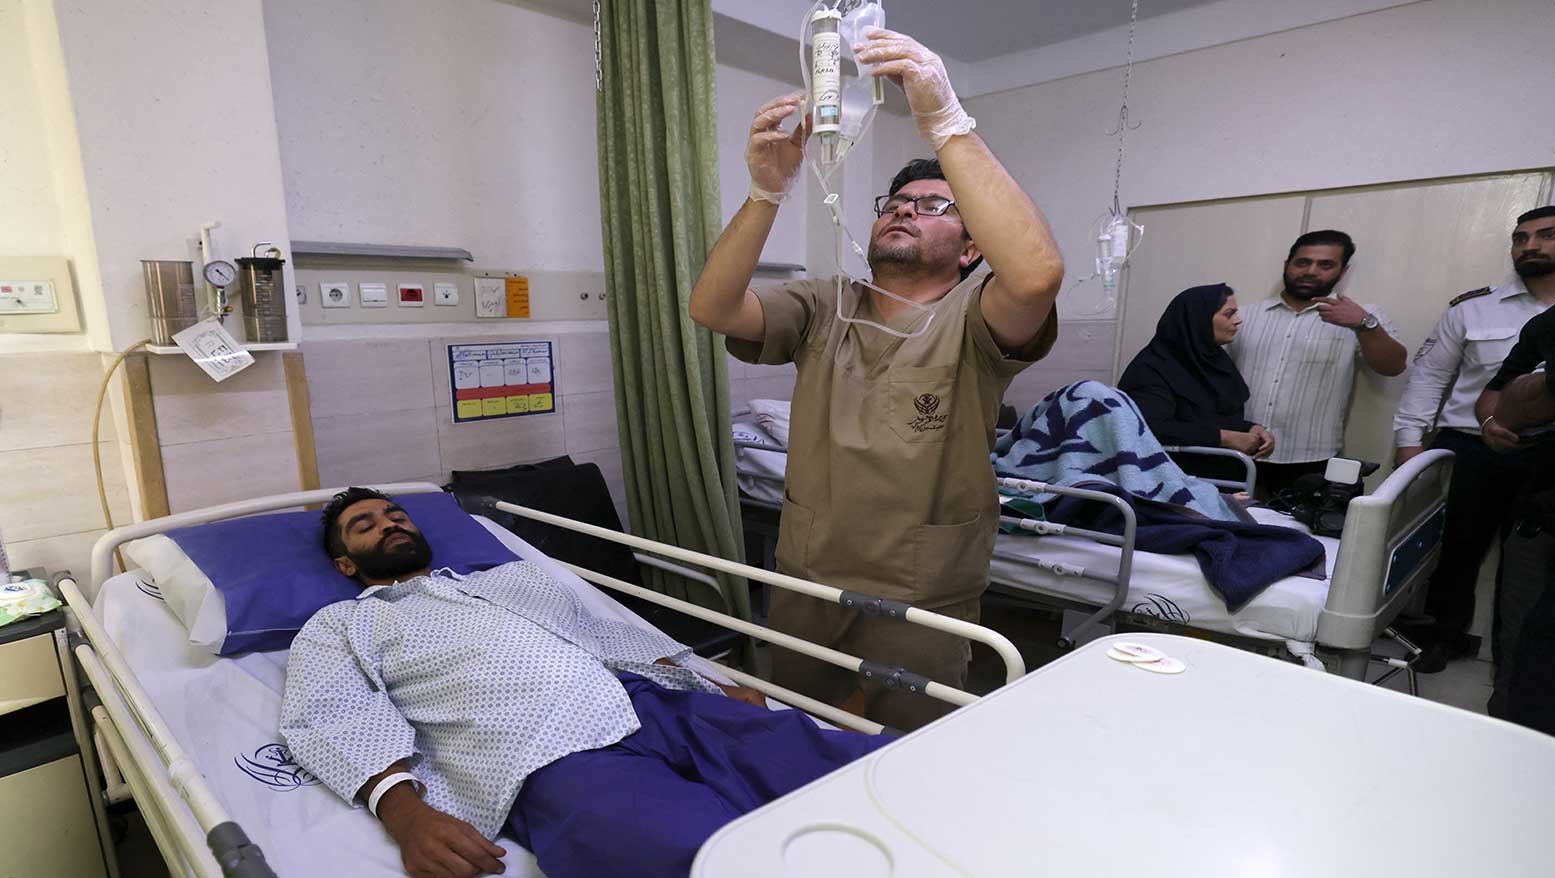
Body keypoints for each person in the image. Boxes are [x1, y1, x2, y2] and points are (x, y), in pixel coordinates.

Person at [688, 27, 1064, 731]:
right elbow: (711, 307)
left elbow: (1038, 272)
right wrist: (765, 192)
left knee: (908, 746)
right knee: (795, 728)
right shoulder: (824, 303)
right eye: (895, 202)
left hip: (923, 585)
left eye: (933, 206)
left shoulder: (977, 318)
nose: (902, 209)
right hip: (807, 572)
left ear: (972, 247)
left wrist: (945, 120)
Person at [280, 488, 886, 878]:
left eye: (396, 514)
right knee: (693, 853)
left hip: (654, 705)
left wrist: (708, 687)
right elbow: (331, 715)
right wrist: (407, 816)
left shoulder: (511, 578)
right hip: (543, 754)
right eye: (365, 526)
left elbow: (610, 638)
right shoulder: (343, 624)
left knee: (856, 771)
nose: (388, 524)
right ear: (345, 564)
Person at [1393, 206, 1555, 671]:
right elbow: (1428, 378)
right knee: (1458, 550)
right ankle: (1442, 637)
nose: (1530, 246)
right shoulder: (1474, 307)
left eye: (1547, 235)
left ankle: (1519, 660)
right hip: (1475, 445)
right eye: (1521, 237)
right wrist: (1411, 447)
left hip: (1553, 457)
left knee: (1534, 560)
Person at [1226, 230, 1406, 496]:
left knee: (1301, 536)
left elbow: (1393, 367)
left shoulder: (1362, 318)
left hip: (1311, 458)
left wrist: (1364, 325)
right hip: (1238, 452)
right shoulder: (1244, 316)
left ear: (1342, 271)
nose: (1311, 271)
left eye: (1325, 265)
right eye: (1303, 262)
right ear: (1287, 265)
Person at [1480, 315, 1555, 727]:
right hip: (1544, 511)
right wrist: (1492, 422)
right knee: (1520, 643)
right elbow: (1500, 396)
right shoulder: (1552, 323)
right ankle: (1507, 735)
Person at [1118, 283, 1274, 465]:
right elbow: (1151, 426)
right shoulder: (1152, 367)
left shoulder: (1212, 360)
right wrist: (1224, 437)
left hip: (1224, 475)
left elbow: (1211, 416)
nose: (1238, 320)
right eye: (1228, 314)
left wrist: (1251, 429)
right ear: (1198, 319)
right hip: (1174, 476)